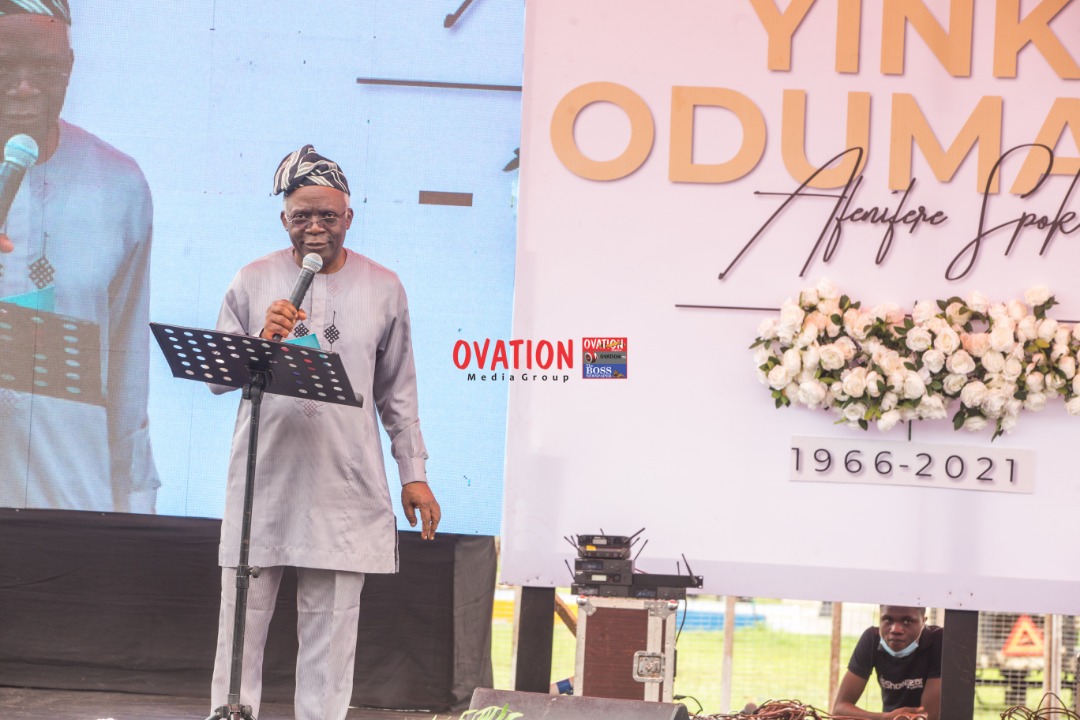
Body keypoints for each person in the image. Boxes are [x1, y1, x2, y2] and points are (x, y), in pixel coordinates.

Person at [209, 145, 441, 720]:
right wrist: (262, 340)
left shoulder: (384, 286)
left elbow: (398, 389)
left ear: (349, 218)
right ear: (283, 219)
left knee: (331, 635)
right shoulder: (253, 279)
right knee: (240, 629)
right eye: (302, 216)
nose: (315, 227)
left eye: (327, 216)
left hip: (344, 483)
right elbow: (217, 379)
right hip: (266, 479)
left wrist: (414, 474)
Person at [0, 0, 159, 512]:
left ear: (69, 67)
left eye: (43, 68)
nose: (24, 86)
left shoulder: (119, 185)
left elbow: (128, 368)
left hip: (71, 507)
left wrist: (135, 516)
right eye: (5, 66)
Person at [832, 605, 942, 720]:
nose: (895, 629)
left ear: (923, 621)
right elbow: (839, 711)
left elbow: (927, 716)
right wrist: (885, 717)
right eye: (888, 620)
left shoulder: (938, 640)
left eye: (907, 621)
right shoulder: (872, 639)